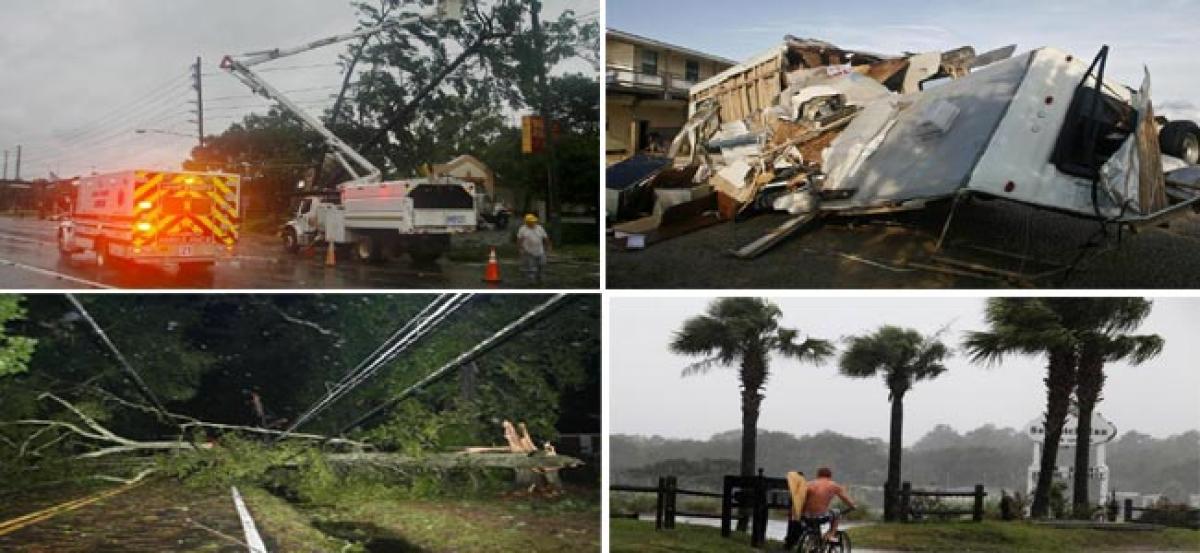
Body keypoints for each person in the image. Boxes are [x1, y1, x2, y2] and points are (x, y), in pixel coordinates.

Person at [801, 467, 857, 542]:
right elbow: (846, 499)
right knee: (836, 512)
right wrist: (853, 506)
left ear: (818, 475)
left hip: (806, 516)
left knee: (814, 529)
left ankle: (813, 542)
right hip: (821, 516)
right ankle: (831, 535)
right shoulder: (833, 485)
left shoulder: (809, 484)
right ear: (830, 476)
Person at [516, 213, 551, 284]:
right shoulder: (523, 229)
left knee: (542, 264)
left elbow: (545, 237)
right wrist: (520, 249)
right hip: (529, 251)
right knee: (531, 267)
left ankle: (540, 278)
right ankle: (531, 281)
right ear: (527, 222)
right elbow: (519, 239)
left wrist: (548, 246)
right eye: (530, 222)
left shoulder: (539, 228)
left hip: (540, 251)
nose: (532, 223)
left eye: (533, 222)